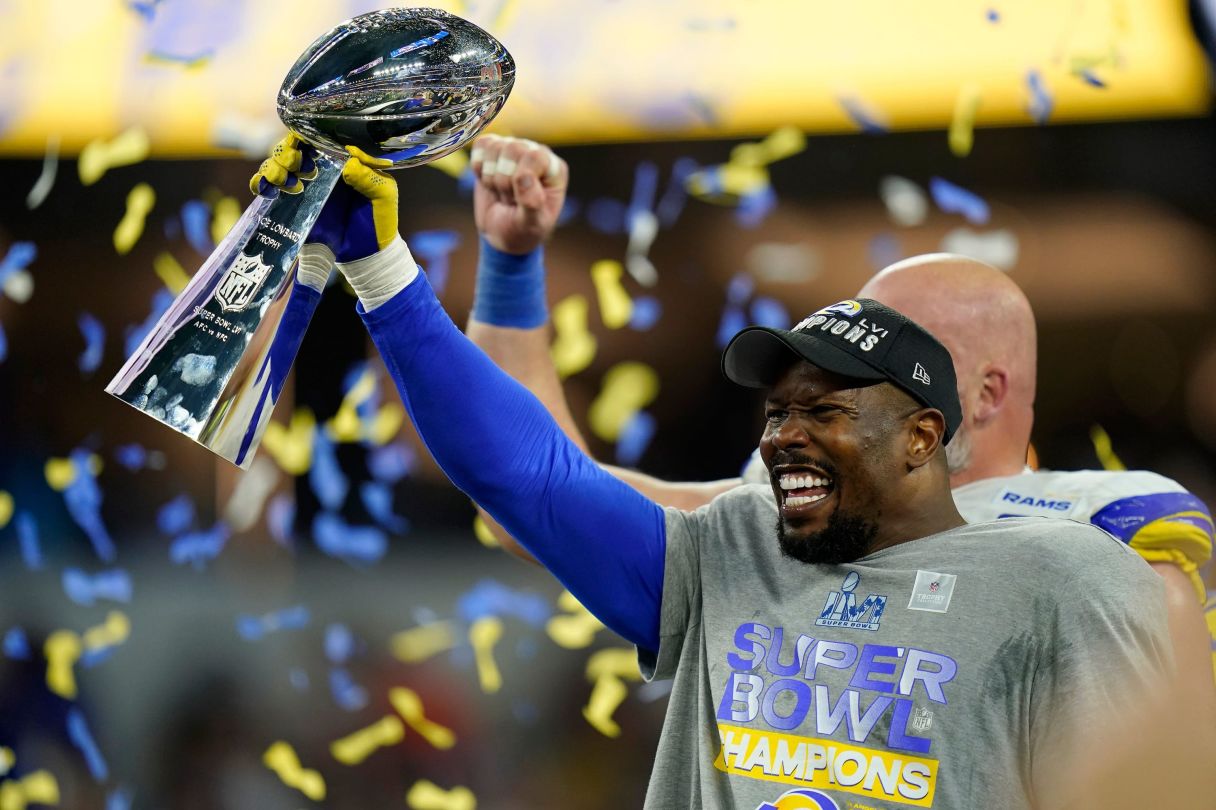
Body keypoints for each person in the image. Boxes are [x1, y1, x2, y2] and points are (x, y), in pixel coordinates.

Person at [253, 136, 1196, 808]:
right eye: (781, 409)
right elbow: (534, 484)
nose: (784, 436)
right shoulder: (746, 539)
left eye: (829, 407)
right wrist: (398, 271)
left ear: (938, 418)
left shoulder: (1093, 544)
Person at [461, 135, 1216, 698]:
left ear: (984, 395)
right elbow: (530, 499)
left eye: (900, 357)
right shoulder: (773, 523)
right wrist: (511, 266)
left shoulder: (1108, 539)